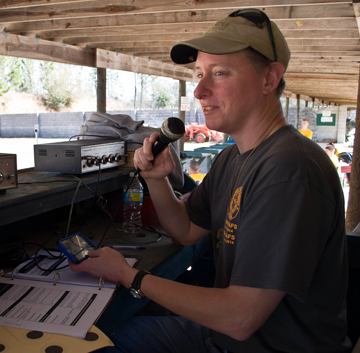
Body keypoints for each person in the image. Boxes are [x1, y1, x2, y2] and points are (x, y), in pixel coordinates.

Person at [71, 9, 350, 353]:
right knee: (94, 340)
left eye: (219, 73)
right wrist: (157, 179)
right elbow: (186, 230)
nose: (200, 90)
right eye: (199, 74)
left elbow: (240, 318)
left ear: (269, 79)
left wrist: (130, 276)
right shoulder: (233, 158)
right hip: (221, 336)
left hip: (262, 345)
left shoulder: (290, 170)